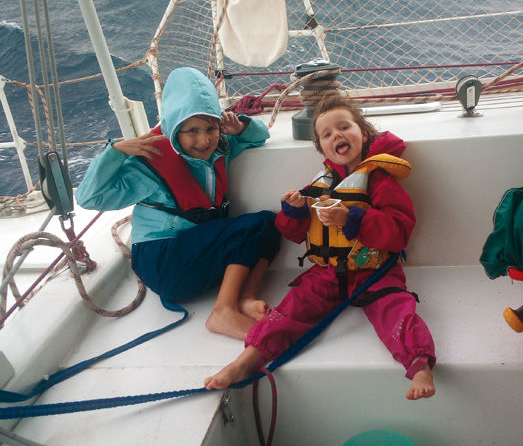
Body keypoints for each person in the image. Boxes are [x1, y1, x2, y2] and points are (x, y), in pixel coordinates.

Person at [205, 93, 436, 399]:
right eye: (327, 134)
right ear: (321, 146)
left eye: (344, 127)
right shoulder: (320, 184)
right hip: (329, 271)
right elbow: (295, 233)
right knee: (292, 308)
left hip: (375, 270)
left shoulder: (380, 180)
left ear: (362, 134)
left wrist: (353, 218)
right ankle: (247, 361)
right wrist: (295, 210)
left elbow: (399, 231)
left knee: (397, 311)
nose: (337, 135)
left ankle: (420, 366)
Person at [76, 67, 280, 340]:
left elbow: (259, 136)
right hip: (163, 260)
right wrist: (113, 154)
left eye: (210, 128)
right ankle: (223, 311)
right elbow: (89, 197)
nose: (203, 140)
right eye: (191, 130)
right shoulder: (149, 163)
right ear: (174, 128)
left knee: (271, 223)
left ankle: (245, 298)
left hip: (194, 254)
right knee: (249, 227)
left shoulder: (221, 148)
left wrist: (240, 126)